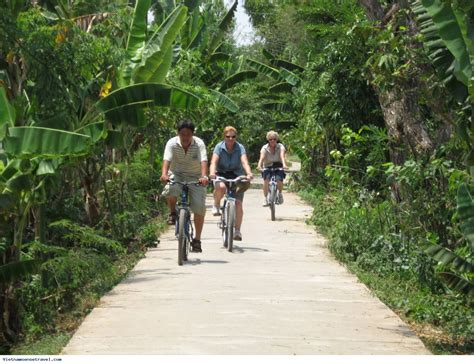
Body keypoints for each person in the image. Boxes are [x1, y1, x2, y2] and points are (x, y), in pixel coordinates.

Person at [160, 119, 209, 253]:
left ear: (192, 134)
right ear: (178, 133)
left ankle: (197, 240)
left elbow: (203, 161)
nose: (185, 137)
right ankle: (172, 213)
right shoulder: (171, 143)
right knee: (170, 188)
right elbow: (166, 160)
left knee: (199, 208)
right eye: (182, 134)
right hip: (177, 174)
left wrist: (204, 177)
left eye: (188, 134)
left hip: (195, 176)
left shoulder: (199, 144)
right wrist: (164, 174)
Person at [209, 126, 253, 241]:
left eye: (233, 137)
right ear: (224, 137)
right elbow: (213, 161)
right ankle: (217, 204)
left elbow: (244, 162)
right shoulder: (219, 147)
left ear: (236, 137)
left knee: (238, 203)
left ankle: (237, 231)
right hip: (221, 174)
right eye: (228, 137)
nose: (230, 139)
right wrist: (212, 173)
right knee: (221, 187)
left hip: (236, 175)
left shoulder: (240, 147)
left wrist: (248, 173)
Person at [257, 130, 288, 206]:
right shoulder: (264, 148)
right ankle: (265, 198)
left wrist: (284, 164)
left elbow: (282, 156)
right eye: (270, 139)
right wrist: (259, 165)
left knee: (279, 180)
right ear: (268, 140)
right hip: (268, 166)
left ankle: (280, 194)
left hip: (279, 166)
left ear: (277, 140)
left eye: (274, 139)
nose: (272, 141)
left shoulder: (281, 146)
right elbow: (262, 157)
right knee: (266, 180)